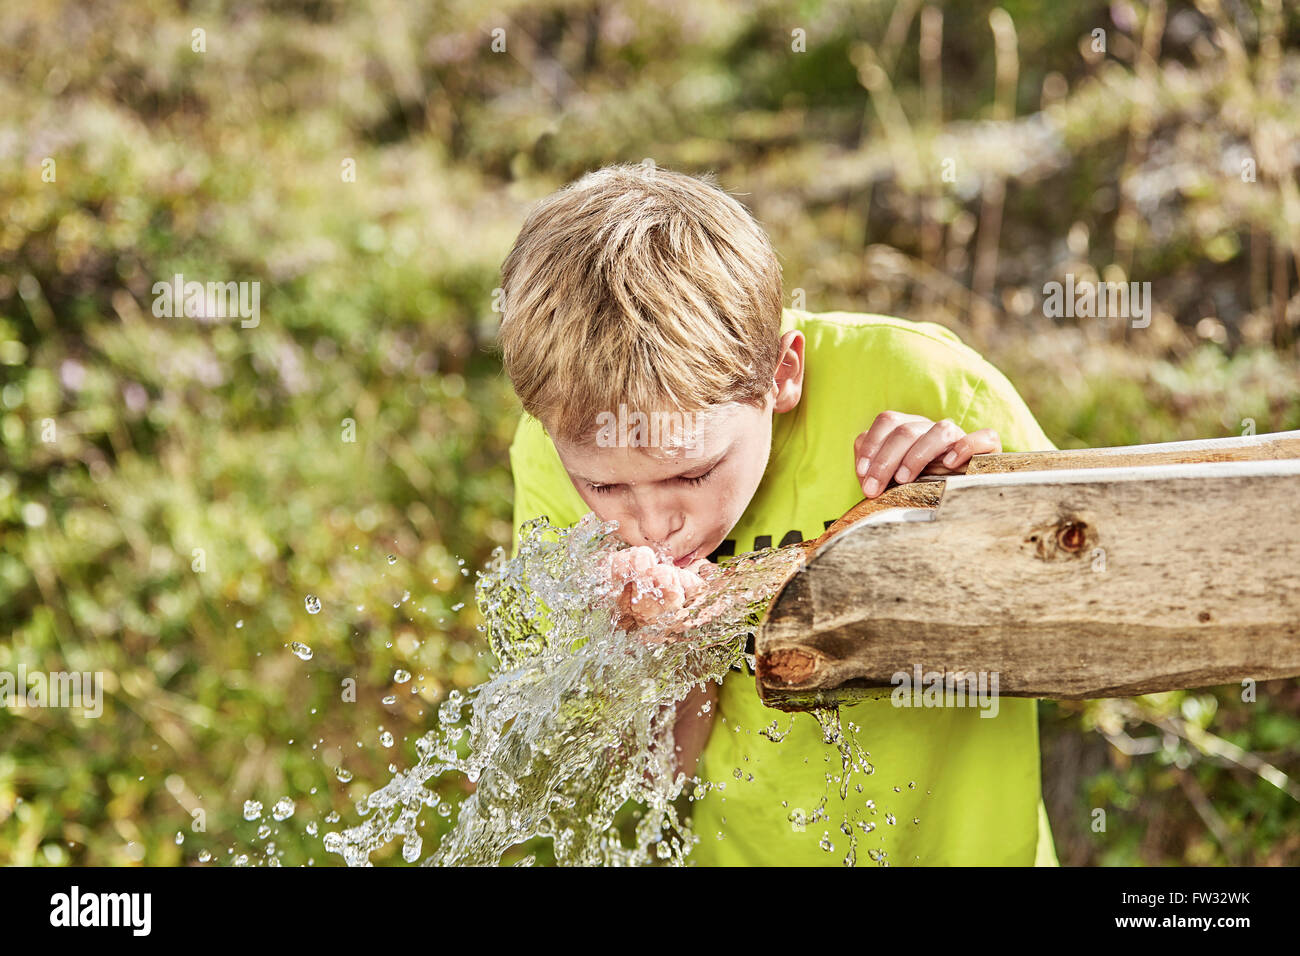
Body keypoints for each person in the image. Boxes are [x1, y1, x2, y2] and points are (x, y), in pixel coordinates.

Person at [498, 162, 1059, 865]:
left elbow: (1099, 612)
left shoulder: (930, 386)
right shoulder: (548, 453)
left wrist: (975, 509)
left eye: (692, 472)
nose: (652, 523)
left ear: (781, 375)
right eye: (606, 489)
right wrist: (648, 653)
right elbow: (651, 771)